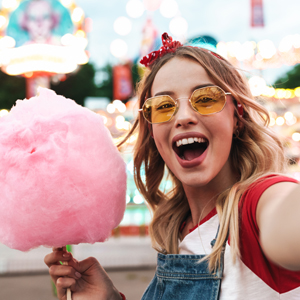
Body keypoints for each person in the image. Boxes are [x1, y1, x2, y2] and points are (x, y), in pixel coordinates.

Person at [44, 33, 300, 300]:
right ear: (152, 131)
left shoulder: (256, 206)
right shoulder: (176, 230)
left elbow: (286, 223)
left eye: (205, 98)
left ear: (237, 116)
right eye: (164, 106)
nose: (184, 117)